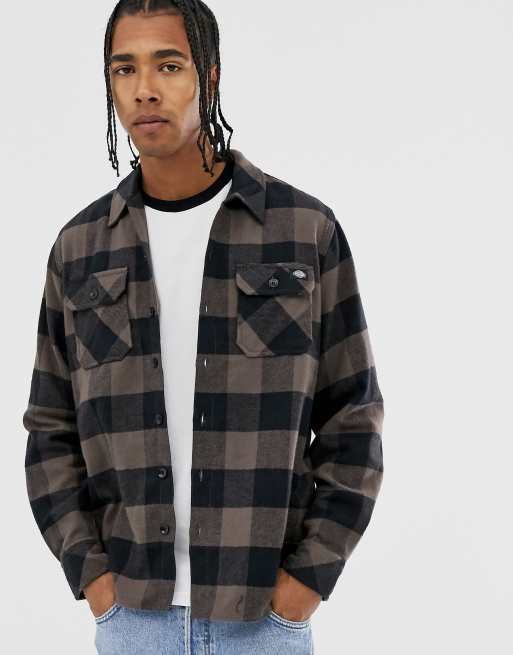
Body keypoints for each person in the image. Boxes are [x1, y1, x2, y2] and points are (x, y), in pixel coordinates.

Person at [22, 1, 385, 653]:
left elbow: (352, 417)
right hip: (133, 621)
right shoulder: (79, 250)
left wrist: (305, 583)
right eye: (124, 69)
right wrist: (95, 578)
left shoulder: (302, 231)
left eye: (168, 65)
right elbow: (50, 427)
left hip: (263, 620)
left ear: (209, 76)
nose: (144, 89)